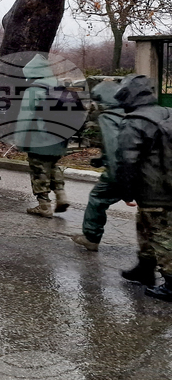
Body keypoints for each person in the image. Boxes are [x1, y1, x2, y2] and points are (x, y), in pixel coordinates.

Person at [114, 75, 172, 299]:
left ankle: (170, 282)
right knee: (147, 226)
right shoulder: (168, 113)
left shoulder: (134, 122)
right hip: (165, 182)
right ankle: (145, 268)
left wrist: (126, 192)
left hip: (154, 189)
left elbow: (127, 161)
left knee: (161, 234)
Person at [71, 80, 125, 251]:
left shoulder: (108, 117)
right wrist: (101, 160)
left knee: (97, 198)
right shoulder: (129, 112)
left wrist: (117, 177)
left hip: (122, 170)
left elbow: (114, 146)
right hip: (149, 169)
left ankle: (91, 237)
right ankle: (148, 256)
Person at [17, 54, 70, 218]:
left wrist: (20, 141)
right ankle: (61, 195)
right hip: (60, 138)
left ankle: (44, 205)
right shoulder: (60, 87)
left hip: (39, 139)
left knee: (39, 169)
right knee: (52, 166)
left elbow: (25, 118)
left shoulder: (34, 90)